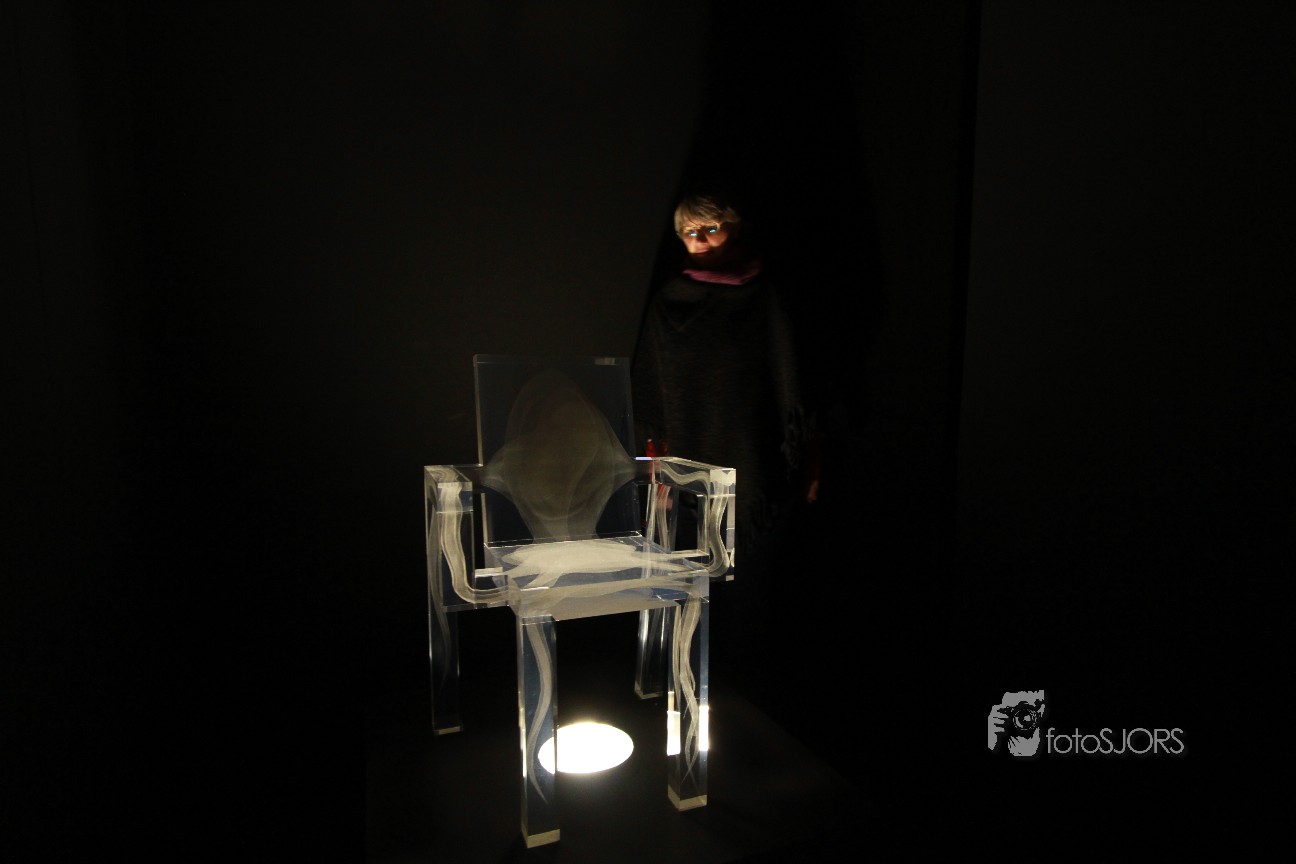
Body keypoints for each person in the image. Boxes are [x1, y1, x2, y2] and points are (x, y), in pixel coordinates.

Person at [631, 191, 819, 573]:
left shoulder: (764, 299)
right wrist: (655, 473)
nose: (699, 239)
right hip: (687, 477)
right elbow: (651, 400)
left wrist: (811, 465)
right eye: (689, 231)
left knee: (755, 586)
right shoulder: (668, 304)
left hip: (757, 463)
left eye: (711, 228)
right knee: (696, 585)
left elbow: (795, 391)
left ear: (735, 229)